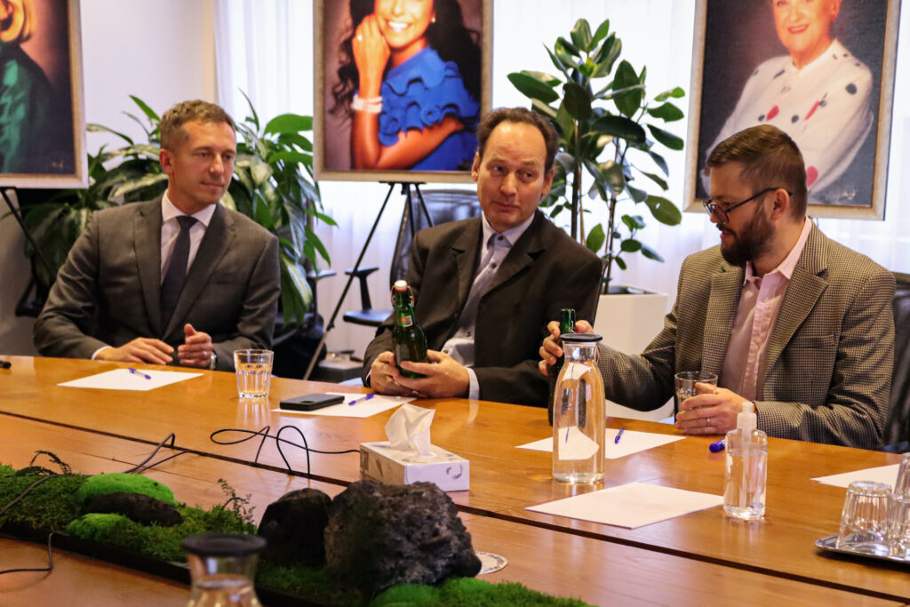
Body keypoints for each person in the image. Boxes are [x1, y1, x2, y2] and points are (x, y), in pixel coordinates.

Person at [543, 125, 894, 449]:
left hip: (796, 475)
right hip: (698, 466)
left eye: (726, 206)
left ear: (777, 204)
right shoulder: (703, 271)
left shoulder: (859, 284)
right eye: (713, 205)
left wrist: (749, 416)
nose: (713, 218)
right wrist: (586, 355)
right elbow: (656, 379)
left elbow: (861, 422)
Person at [363, 107, 602, 406]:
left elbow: (557, 372)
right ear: (476, 167)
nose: (508, 188)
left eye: (526, 175)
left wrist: (468, 381)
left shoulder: (573, 265)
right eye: (498, 169)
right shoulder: (432, 244)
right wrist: (375, 367)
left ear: (546, 182)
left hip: (493, 411)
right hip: (412, 403)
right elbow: (395, 327)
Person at [34, 100, 280, 371]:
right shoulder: (106, 229)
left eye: (228, 156)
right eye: (204, 154)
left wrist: (212, 356)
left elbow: (256, 344)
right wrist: (107, 354)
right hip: (116, 388)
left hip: (204, 391)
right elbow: (52, 323)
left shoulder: (257, 245)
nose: (219, 169)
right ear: (167, 161)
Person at [705, 0, 872, 201]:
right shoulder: (764, 73)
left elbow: (790, 181)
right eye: (782, 3)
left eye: (806, 1)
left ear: (834, 6)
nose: (794, 16)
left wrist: (729, 178)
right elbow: (710, 166)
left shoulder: (853, 79)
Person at [331, 0, 481, 171]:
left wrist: (369, 77)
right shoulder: (379, 71)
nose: (397, 9)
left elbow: (366, 171)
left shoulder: (443, 84)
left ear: (435, 11)